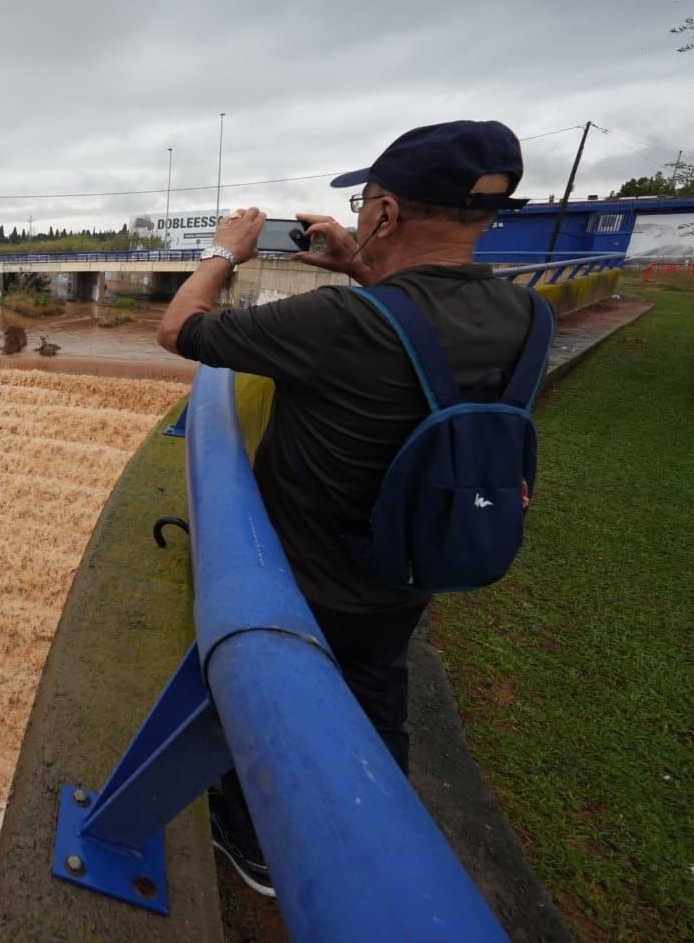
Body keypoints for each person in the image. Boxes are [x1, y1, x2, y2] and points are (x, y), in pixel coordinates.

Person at [155, 120, 536, 897]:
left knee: (259, 703)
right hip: (414, 560)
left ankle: (254, 843)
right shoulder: (526, 316)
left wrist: (227, 249)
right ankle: (378, 824)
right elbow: (416, 330)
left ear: (388, 212)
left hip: (305, 577)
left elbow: (180, 329)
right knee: (374, 691)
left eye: (367, 203)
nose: (361, 215)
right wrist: (360, 266)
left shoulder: (340, 324)